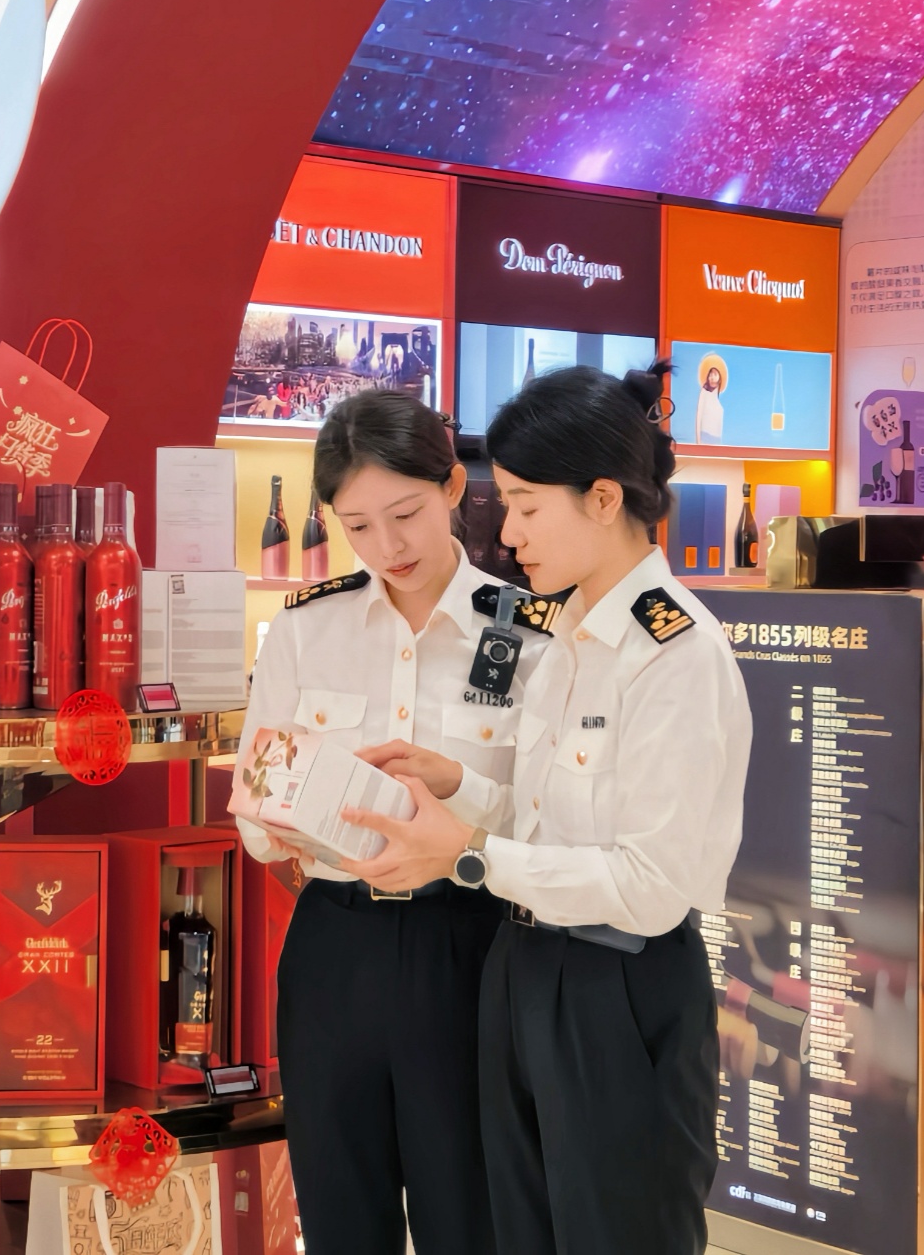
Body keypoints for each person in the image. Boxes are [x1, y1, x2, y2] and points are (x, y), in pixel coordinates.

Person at [343, 363, 750, 1254]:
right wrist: (459, 785)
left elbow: (649, 883)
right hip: (522, 967)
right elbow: (549, 820)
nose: (508, 531)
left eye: (527, 506)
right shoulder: (564, 632)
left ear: (603, 499)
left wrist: (467, 853)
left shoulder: (674, 655)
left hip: (620, 987)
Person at [235, 388, 560, 1255]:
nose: (389, 546)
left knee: (472, 1217)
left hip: (473, 943)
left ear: (453, 486)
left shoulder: (530, 636)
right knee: (340, 1213)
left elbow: (549, 819)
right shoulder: (305, 630)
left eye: (407, 514)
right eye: (359, 526)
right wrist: (284, 818)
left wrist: (458, 799)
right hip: (334, 948)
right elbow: (254, 815)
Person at [695, 352, 727, 444]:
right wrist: (698, 442)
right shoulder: (704, 392)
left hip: (716, 441)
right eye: (710, 374)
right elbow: (699, 415)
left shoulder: (720, 402)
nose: (712, 377)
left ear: (720, 377)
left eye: (715, 374)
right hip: (704, 438)